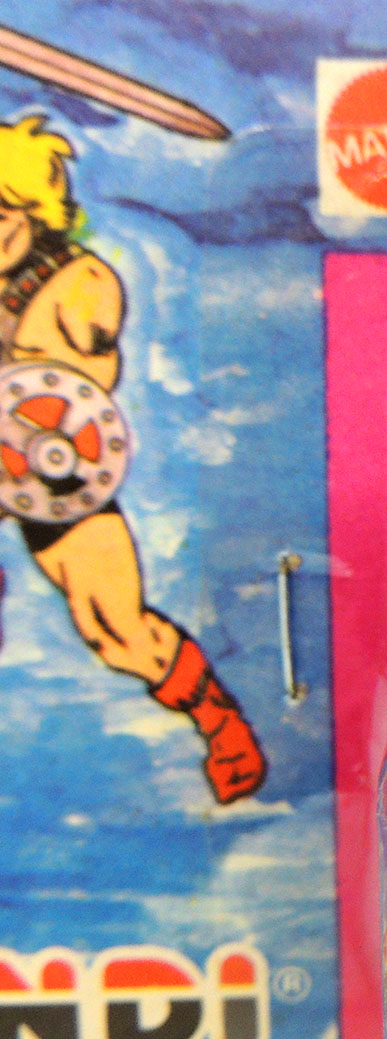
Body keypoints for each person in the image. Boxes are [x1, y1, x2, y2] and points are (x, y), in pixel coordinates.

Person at [0, 115, 265, 803]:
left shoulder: (78, 283)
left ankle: (219, 722)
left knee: (115, 630)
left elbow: (75, 386)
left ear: (33, 210)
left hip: (55, 480)